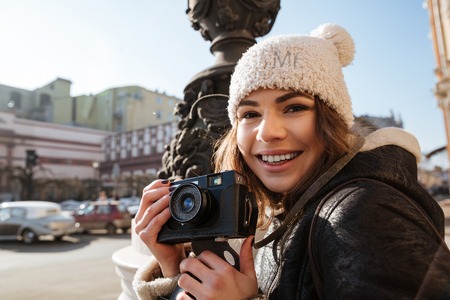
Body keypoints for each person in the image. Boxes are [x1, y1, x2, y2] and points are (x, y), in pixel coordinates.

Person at [133, 23, 450, 299]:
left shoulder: (365, 212)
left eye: (294, 107)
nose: (267, 132)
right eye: (250, 114)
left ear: (331, 119)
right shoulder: (283, 211)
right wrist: (172, 265)